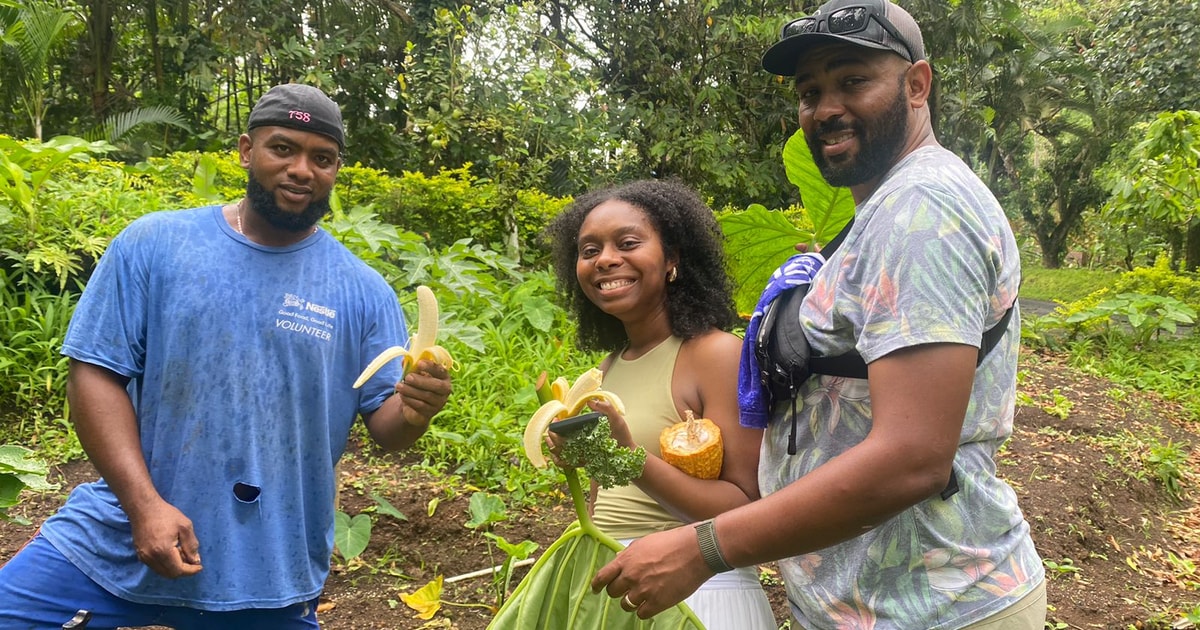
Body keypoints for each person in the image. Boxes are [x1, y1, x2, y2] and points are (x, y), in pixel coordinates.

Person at [591, 1, 1047, 628]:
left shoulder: (924, 209)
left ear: (917, 84)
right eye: (810, 91)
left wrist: (705, 547)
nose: (826, 107)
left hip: (937, 606)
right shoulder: (882, 214)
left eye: (853, 80)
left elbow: (912, 456)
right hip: (862, 603)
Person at [0, 83, 452, 628]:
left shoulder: (362, 290)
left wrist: (417, 408)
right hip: (117, 537)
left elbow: (387, 428)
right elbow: (94, 373)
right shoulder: (155, 244)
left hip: (267, 570)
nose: (302, 170)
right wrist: (144, 507)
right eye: (282, 148)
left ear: (336, 170)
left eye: (322, 158)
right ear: (245, 150)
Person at [544, 179, 777, 629]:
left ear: (672, 258)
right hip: (621, 596)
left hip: (700, 597)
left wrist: (629, 458)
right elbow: (607, 507)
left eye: (627, 243)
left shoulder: (715, 355)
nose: (605, 259)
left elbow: (746, 508)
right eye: (588, 250)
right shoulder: (608, 369)